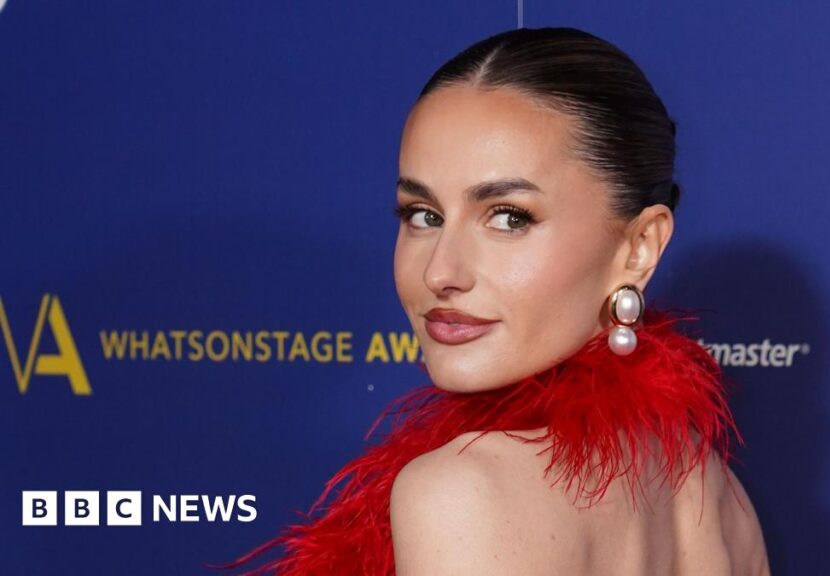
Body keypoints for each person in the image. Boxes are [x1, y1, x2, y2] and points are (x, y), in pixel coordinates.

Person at [210, 26, 769, 575]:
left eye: (508, 218)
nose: (440, 272)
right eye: (422, 216)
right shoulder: (721, 502)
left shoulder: (459, 493)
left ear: (639, 246)